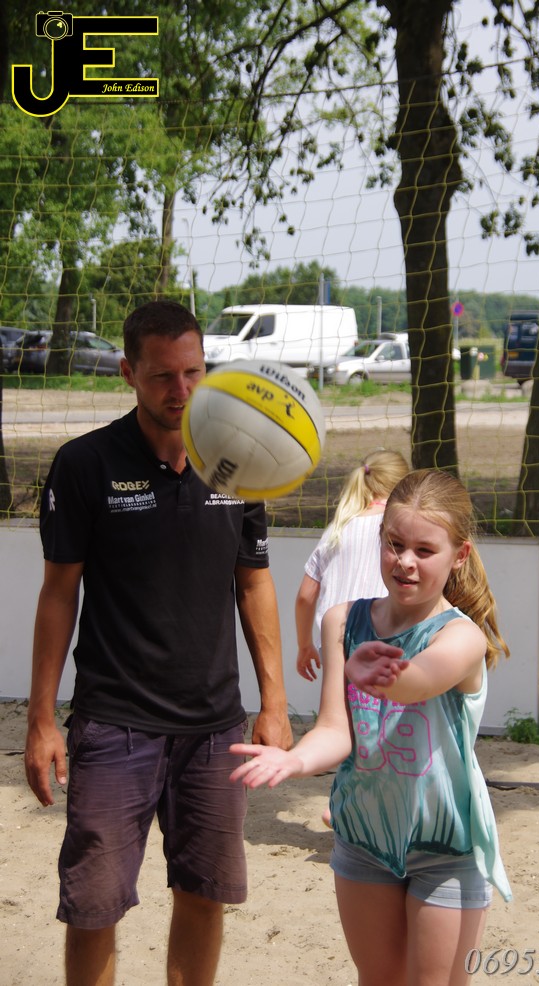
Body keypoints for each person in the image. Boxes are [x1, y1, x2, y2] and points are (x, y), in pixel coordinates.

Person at [23, 299, 293, 986]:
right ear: (128, 373)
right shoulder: (85, 464)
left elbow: (254, 582)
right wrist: (41, 719)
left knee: (204, 894)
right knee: (93, 906)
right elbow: (58, 594)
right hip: (114, 724)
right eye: (162, 375)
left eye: (193, 372)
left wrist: (274, 702)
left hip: (214, 728)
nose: (181, 390)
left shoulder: (235, 459)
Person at [231, 469, 512, 986]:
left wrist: (379, 674)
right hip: (364, 837)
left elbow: (419, 681)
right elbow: (336, 731)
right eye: (394, 544)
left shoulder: (462, 636)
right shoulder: (341, 620)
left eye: (424, 550)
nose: (405, 561)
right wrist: (294, 760)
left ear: (459, 555)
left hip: (447, 846)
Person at [295, 449, 410, 682]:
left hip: (335, 642)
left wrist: (305, 645)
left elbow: (305, 596)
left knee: (338, 703)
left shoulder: (336, 529)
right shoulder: (400, 526)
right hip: (387, 639)